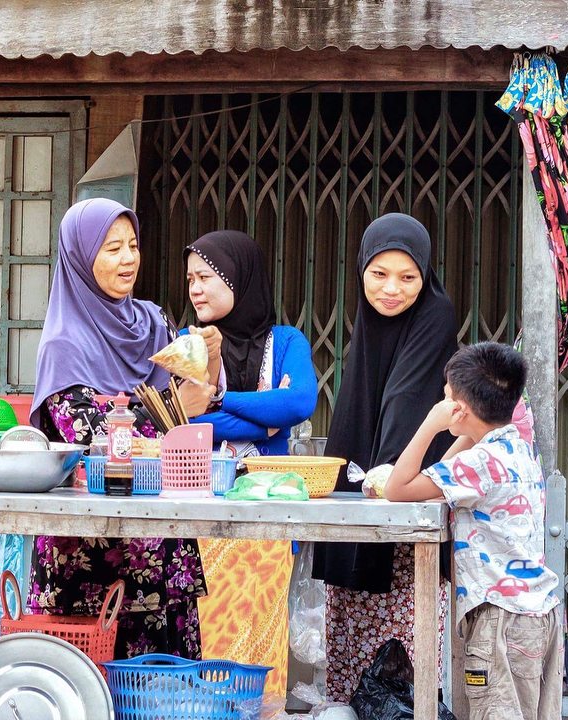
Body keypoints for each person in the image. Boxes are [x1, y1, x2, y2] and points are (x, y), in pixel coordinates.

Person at [29, 197, 218, 658]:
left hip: (162, 551)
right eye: (112, 248)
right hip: (88, 557)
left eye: (132, 245)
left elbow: (194, 402)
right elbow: (93, 443)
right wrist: (174, 410)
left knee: (163, 694)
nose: (129, 258)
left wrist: (209, 362)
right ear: (79, 257)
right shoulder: (63, 346)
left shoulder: (153, 322)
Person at [314, 213, 458, 701]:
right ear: (360, 272)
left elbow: (407, 398)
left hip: (404, 506)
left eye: (407, 276)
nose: (392, 289)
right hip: (368, 499)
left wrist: (384, 479)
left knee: (403, 661)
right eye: (378, 274)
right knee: (352, 662)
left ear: (425, 275)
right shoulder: (371, 320)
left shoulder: (436, 313)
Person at [384, 342, 563, 720]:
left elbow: (397, 489)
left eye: (446, 396)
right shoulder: (516, 447)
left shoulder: (481, 461)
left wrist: (432, 424)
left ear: (460, 408)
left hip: (500, 620)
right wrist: (464, 428)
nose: (442, 401)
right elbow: (445, 475)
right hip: (536, 616)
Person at [183, 230, 318, 696]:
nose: (195, 288)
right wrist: (264, 422)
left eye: (205, 277)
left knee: (261, 644)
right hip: (201, 519)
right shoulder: (188, 343)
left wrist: (220, 399)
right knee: (206, 639)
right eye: (190, 279)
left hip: (267, 523)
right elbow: (180, 419)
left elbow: (299, 402)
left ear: (238, 278)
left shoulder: (287, 340)